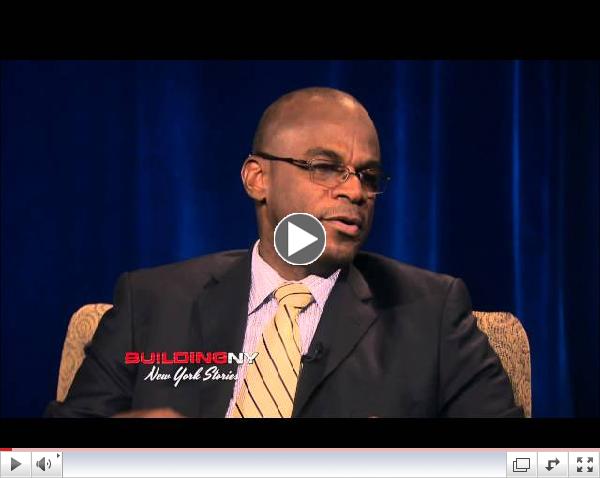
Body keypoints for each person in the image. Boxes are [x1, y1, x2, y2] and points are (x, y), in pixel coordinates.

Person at [45, 87, 523, 418]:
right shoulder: (152, 300)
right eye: (324, 167)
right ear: (258, 179)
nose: (354, 191)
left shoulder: (431, 312)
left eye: (369, 176)